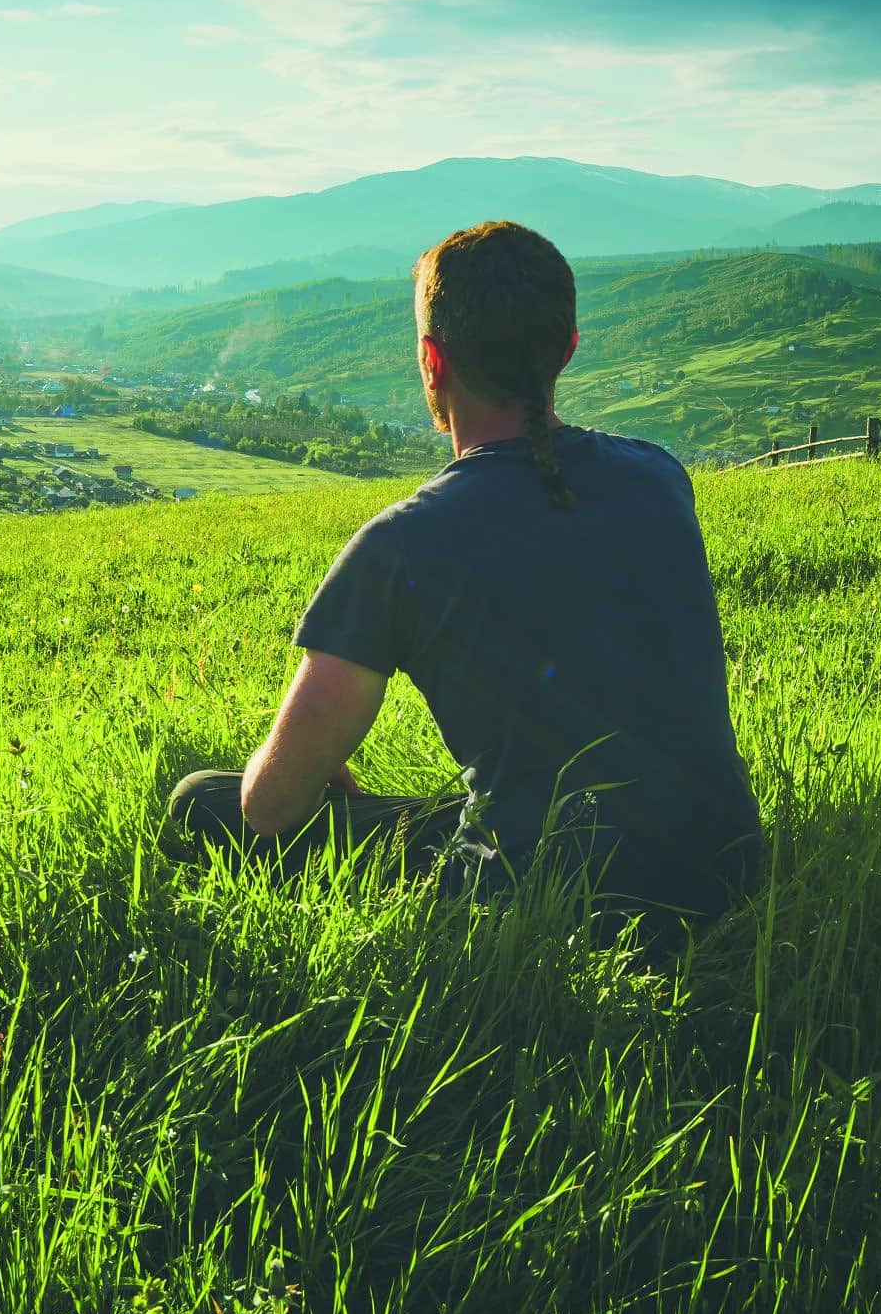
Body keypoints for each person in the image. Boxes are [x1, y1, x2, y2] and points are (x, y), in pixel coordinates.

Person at [168, 221, 763, 945]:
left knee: (202, 800)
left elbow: (267, 808)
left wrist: (302, 769)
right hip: (728, 873)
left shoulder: (400, 546)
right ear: (566, 348)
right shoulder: (661, 475)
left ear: (431, 360)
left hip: (554, 902)